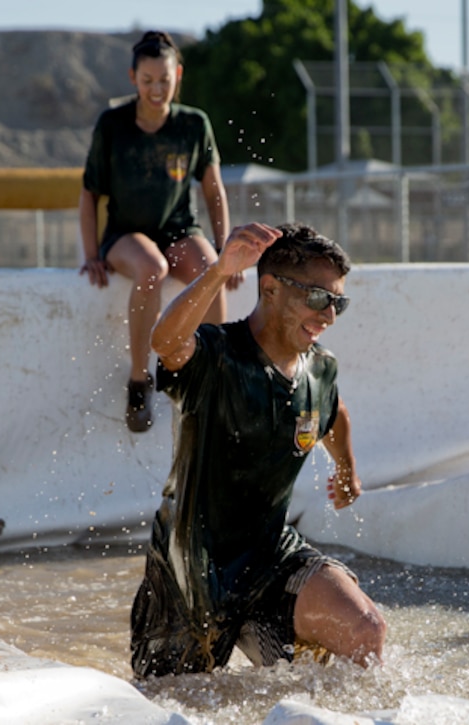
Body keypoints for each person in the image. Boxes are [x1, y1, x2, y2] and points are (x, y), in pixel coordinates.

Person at [129, 221, 387, 677]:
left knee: (365, 629)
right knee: (176, 703)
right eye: (317, 298)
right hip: (191, 568)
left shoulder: (320, 368)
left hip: (271, 555)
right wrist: (216, 272)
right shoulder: (218, 354)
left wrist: (347, 469)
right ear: (270, 289)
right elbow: (165, 343)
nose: (328, 316)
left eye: (338, 303)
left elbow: (335, 412)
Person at [79, 30, 238, 433]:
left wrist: (225, 249)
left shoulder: (193, 124)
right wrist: (91, 255)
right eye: (148, 80)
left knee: (211, 269)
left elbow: (214, 192)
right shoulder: (112, 125)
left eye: (164, 80)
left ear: (177, 75)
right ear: (133, 78)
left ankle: (207, 376)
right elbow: (89, 194)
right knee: (152, 268)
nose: (157, 89)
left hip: (179, 228)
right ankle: (139, 380)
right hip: (126, 235)